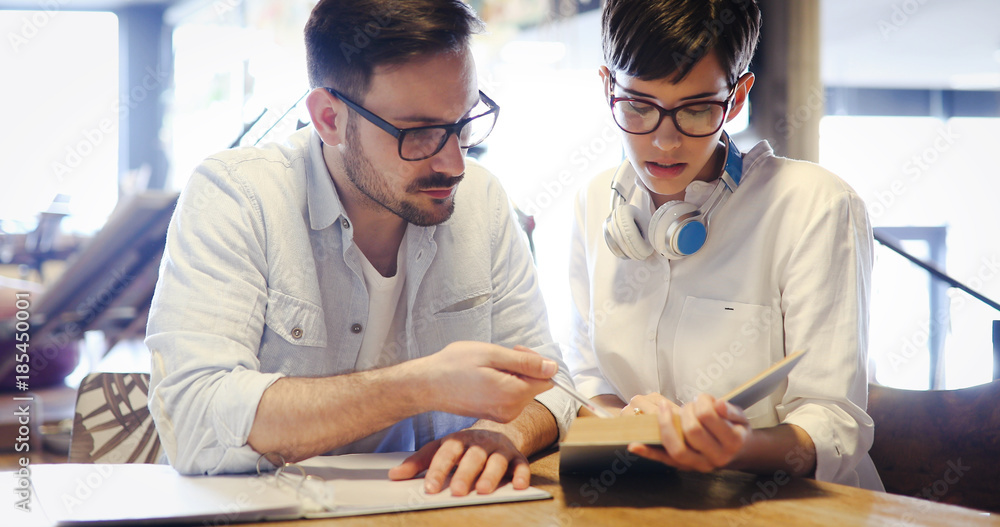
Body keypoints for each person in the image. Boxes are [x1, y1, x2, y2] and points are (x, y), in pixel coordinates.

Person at [146, 0, 576, 496]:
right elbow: (195, 418)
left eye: (463, 123)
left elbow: (552, 383)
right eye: (420, 133)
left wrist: (502, 435)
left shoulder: (482, 200)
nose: (455, 162)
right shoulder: (236, 197)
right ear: (329, 118)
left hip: (442, 509)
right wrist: (420, 384)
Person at [565, 0, 883, 490]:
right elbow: (587, 379)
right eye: (638, 106)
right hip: (649, 499)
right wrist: (627, 424)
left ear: (736, 99)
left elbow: (834, 423)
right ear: (608, 86)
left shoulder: (816, 206)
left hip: (795, 508)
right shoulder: (594, 203)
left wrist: (734, 449)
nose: (665, 142)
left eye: (696, 109)